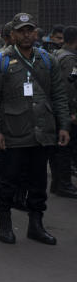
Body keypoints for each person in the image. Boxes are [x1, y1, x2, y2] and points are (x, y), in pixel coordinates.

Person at [0, 13, 70, 245]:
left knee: (38, 181)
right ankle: (4, 222)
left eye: (29, 30)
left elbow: (59, 96)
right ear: (12, 34)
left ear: (35, 33)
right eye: (21, 31)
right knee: (8, 179)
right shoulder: (0, 61)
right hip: (12, 132)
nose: (26, 35)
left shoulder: (47, 59)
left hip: (42, 132)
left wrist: (63, 125)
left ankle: (36, 224)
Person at [52, 26, 77, 198]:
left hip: (58, 109)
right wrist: (72, 112)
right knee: (65, 148)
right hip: (65, 111)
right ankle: (64, 184)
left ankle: (58, 183)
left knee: (60, 148)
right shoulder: (69, 59)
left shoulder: (58, 54)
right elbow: (69, 89)